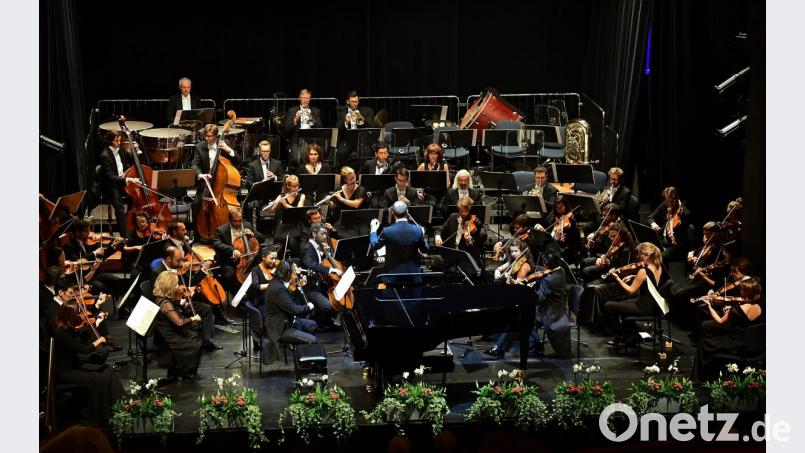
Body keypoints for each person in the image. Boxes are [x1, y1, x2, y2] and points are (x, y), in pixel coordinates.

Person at [50, 300, 124, 427]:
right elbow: (83, 349)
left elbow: (82, 340)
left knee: (107, 370)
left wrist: (97, 324)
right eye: (77, 313)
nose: (80, 315)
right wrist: (99, 340)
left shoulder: (68, 327)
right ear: (69, 316)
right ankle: (102, 416)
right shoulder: (60, 333)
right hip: (67, 372)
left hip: (76, 365)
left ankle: (121, 405)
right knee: (99, 379)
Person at [485, 249, 569, 359]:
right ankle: (502, 348)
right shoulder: (560, 270)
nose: (543, 266)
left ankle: (533, 346)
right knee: (519, 317)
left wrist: (528, 290)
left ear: (549, 264)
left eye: (544, 263)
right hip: (554, 306)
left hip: (549, 311)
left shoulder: (550, 280)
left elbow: (538, 299)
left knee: (522, 317)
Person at [692, 278, 763, 380]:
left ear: (746, 291)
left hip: (735, 344)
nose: (740, 291)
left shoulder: (737, 308)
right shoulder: (760, 307)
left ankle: (702, 377)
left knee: (703, 342)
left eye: (742, 289)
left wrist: (709, 306)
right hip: (752, 343)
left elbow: (720, 321)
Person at [150, 245, 219, 347]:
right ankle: (187, 339)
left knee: (206, 308)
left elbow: (190, 282)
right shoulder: (157, 271)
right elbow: (160, 295)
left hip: (181, 300)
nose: (181, 263)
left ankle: (206, 340)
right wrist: (181, 301)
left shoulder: (177, 267)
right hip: (170, 305)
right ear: (168, 259)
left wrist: (202, 271)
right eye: (178, 260)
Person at [602, 242, 668, 346]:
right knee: (623, 303)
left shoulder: (643, 271)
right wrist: (634, 276)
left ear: (646, 255)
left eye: (639, 254)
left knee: (608, 305)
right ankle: (631, 335)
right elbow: (651, 281)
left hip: (643, 307)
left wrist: (617, 278)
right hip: (653, 305)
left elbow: (630, 290)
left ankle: (622, 335)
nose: (637, 257)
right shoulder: (658, 266)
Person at [263, 260, 318, 364]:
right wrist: (308, 306)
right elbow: (295, 309)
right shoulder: (278, 289)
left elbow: (289, 301)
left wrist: (297, 288)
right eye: (292, 273)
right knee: (313, 340)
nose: (294, 276)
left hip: (288, 320)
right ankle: (305, 361)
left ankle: (304, 355)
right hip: (281, 328)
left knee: (312, 325)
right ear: (287, 274)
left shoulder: (278, 282)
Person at [190, 123, 241, 235]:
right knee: (195, 204)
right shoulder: (199, 146)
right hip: (206, 184)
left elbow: (238, 161)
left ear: (216, 136)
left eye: (210, 136)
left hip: (220, 186)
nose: (207, 138)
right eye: (206, 136)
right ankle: (197, 235)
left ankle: (225, 234)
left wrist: (229, 150)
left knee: (228, 209)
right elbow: (194, 164)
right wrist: (200, 175)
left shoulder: (224, 145)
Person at [152, 271, 203, 380]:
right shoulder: (165, 304)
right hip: (170, 336)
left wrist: (181, 304)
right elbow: (179, 322)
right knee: (195, 344)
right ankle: (186, 371)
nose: (177, 286)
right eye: (175, 284)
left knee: (195, 334)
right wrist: (193, 318)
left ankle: (183, 369)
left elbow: (173, 312)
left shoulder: (161, 298)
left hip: (169, 331)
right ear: (169, 286)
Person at [369, 201, 430, 284]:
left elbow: (375, 245)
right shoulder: (417, 230)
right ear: (407, 212)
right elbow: (425, 249)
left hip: (392, 275)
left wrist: (373, 230)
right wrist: (422, 234)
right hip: (412, 274)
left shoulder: (387, 231)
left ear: (393, 213)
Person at [95, 130, 140, 237]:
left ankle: (132, 226)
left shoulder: (120, 150)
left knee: (135, 200)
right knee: (119, 208)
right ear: (110, 141)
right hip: (111, 185)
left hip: (124, 182)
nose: (119, 143)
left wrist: (136, 151)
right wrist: (128, 180)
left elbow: (133, 160)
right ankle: (125, 236)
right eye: (116, 141)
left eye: (120, 140)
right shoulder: (104, 155)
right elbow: (110, 177)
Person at [212, 207, 265, 296]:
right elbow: (216, 244)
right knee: (229, 275)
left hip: (248, 260)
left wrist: (253, 234)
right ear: (230, 220)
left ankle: (256, 295)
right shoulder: (221, 230)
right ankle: (238, 296)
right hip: (230, 262)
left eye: (240, 221)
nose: (238, 223)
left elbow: (262, 239)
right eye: (235, 221)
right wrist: (232, 250)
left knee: (260, 271)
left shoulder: (247, 225)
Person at [300, 223, 339, 326]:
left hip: (321, 283)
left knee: (336, 304)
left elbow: (320, 260)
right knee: (326, 306)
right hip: (310, 286)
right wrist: (330, 270)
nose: (325, 237)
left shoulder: (319, 245)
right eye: (322, 234)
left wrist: (325, 253)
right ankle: (314, 322)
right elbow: (311, 264)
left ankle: (327, 321)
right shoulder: (306, 248)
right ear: (314, 234)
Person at [434, 196, 485, 267]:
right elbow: (439, 230)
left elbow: (473, 244)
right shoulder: (452, 217)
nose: (463, 214)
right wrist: (438, 237)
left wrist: (468, 240)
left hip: (466, 255)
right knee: (436, 261)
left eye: (466, 211)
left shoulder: (476, 223)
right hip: (452, 253)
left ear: (469, 209)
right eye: (461, 211)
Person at [648, 186, 691, 262]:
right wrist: (653, 224)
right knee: (645, 252)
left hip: (675, 245)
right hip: (662, 239)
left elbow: (680, 238)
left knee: (657, 259)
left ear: (675, 199)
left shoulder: (685, 214)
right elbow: (650, 217)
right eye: (666, 201)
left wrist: (672, 228)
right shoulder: (667, 204)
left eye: (669, 202)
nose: (667, 204)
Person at [269, 175, 308, 257]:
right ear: (288, 186)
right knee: (277, 238)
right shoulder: (281, 196)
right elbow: (271, 211)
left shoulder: (302, 196)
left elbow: (298, 210)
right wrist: (274, 205)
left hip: (296, 223)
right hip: (284, 224)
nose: (296, 188)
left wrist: (285, 204)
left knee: (292, 241)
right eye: (294, 186)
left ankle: (295, 259)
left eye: (297, 185)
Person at [335, 90, 376, 167]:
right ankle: (345, 172)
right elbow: (338, 129)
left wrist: (363, 119)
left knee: (366, 152)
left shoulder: (366, 111)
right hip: (347, 141)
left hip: (362, 140)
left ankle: (362, 173)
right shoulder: (342, 113)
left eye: (356, 101)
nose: (355, 104)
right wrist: (346, 122)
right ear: (348, 101)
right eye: (352, 101)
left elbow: (371, 127)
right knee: (341, 152)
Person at [285, 89, 324, 165]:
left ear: (310, 99)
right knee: (297, 159)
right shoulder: (292, 111)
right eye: (303, 98)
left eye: (307, 98)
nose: (305, 100)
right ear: (299, 98)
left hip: (312, 140)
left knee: (314, 157)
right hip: (297, 140)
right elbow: (287, 129)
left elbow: (320, 127)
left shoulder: (315, 111)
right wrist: (295, 120)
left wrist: (312, 118)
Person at [328, 166, 366, 238]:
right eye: (351, 179)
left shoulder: (361, 189)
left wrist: (341, 199)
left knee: (360, 236)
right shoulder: (339, 189)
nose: (354, 180)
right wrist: (328, 202)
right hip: (342, 220)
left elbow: (356, 204)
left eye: (354, 177)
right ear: (345, 180)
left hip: (358, 219)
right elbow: (333, 206)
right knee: (337, 234)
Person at [248, 246, 280, 320]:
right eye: (271, 258)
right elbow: (256, 286)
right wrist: (271, 285)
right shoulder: (256, 270)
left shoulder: (275, 267)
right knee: (272, 318)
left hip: (275, 301)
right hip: (262, 303)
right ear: (263, 257)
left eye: (275, 258)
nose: (274, 261)